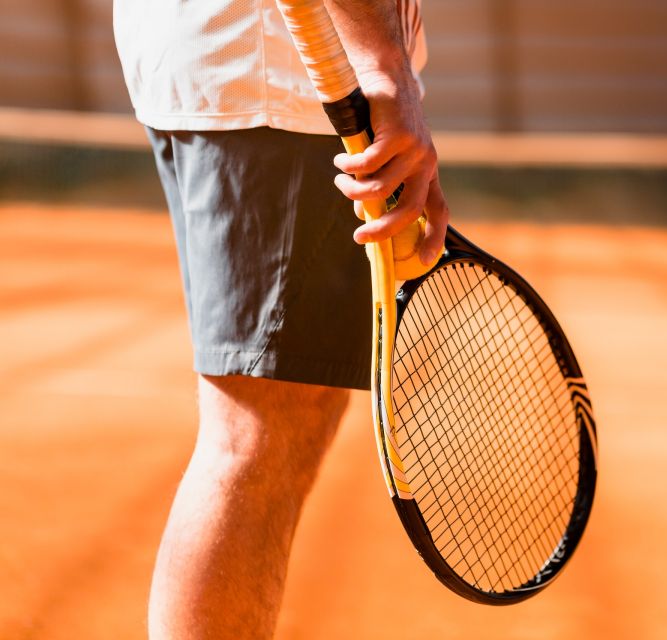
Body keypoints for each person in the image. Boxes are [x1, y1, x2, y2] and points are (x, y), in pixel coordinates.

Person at [112, 0, 449, 637]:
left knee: (284, 420)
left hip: (255, 64)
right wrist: (381, 65)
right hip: (290, 70)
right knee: (254, 436)